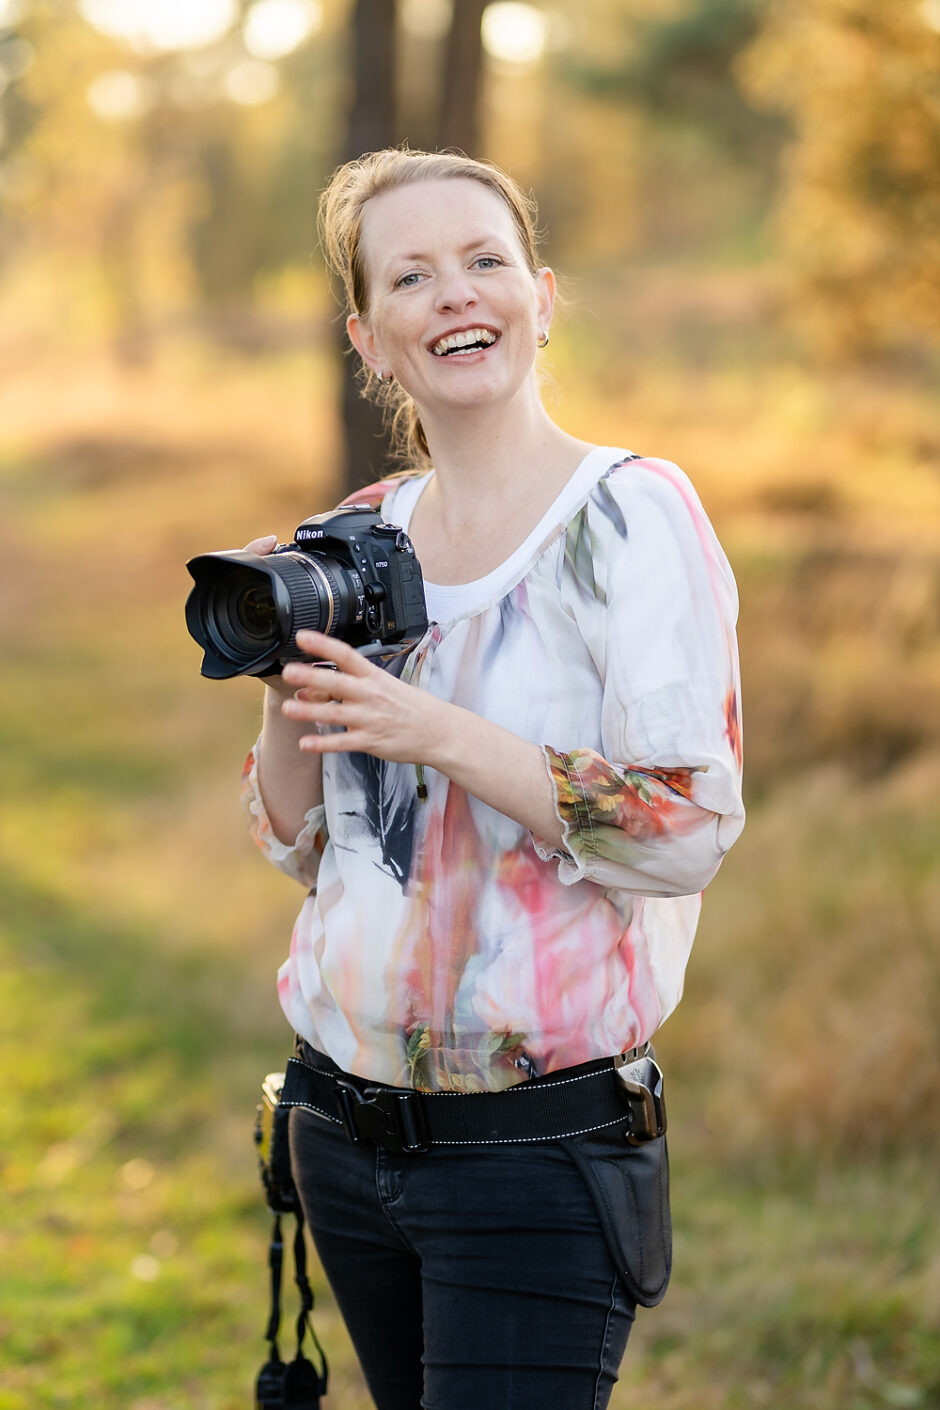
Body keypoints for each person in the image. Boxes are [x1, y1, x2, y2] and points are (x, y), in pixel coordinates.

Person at [239, 147, 745, 1410]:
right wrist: (283, 684)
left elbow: (684, 825)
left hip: (535, 1152)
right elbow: (299, 845)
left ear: (540, 292)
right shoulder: (360, 531)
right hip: (339, 1133)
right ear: (370, 334)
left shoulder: (631, 516)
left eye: (483, 260)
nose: (454, 293)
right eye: (411, 275)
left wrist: (439, 730)